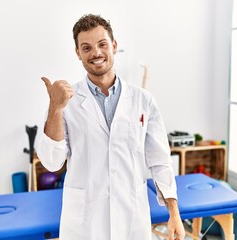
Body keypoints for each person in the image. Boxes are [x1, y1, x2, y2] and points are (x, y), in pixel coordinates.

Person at [37, 14, 185, 240]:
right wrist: (55, 109)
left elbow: (160, 160)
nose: (95, 53)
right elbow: (51, 162)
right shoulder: (66, 102)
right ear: (78, 53)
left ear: (114, 46)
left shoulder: (143, 100)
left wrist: (174, 213)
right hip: (85, 223)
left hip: (131, 218)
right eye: (86, 47)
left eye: (102, 44)